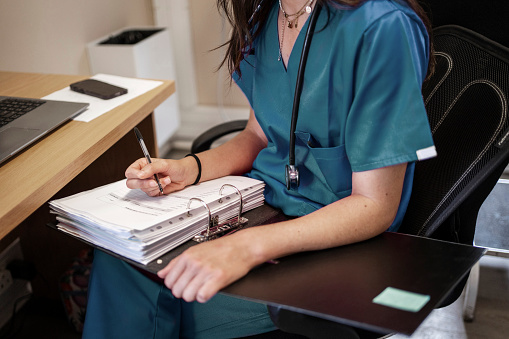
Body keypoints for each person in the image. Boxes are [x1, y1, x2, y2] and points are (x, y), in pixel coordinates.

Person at [83, 0, 437, 337]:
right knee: (118, 258)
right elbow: (259, 134)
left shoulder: (382, 27)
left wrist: (245, 247)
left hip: (337, 241)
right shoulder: (269, 14)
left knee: (157, 291)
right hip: (260, 208)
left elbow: (375, 205)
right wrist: (189, 168)